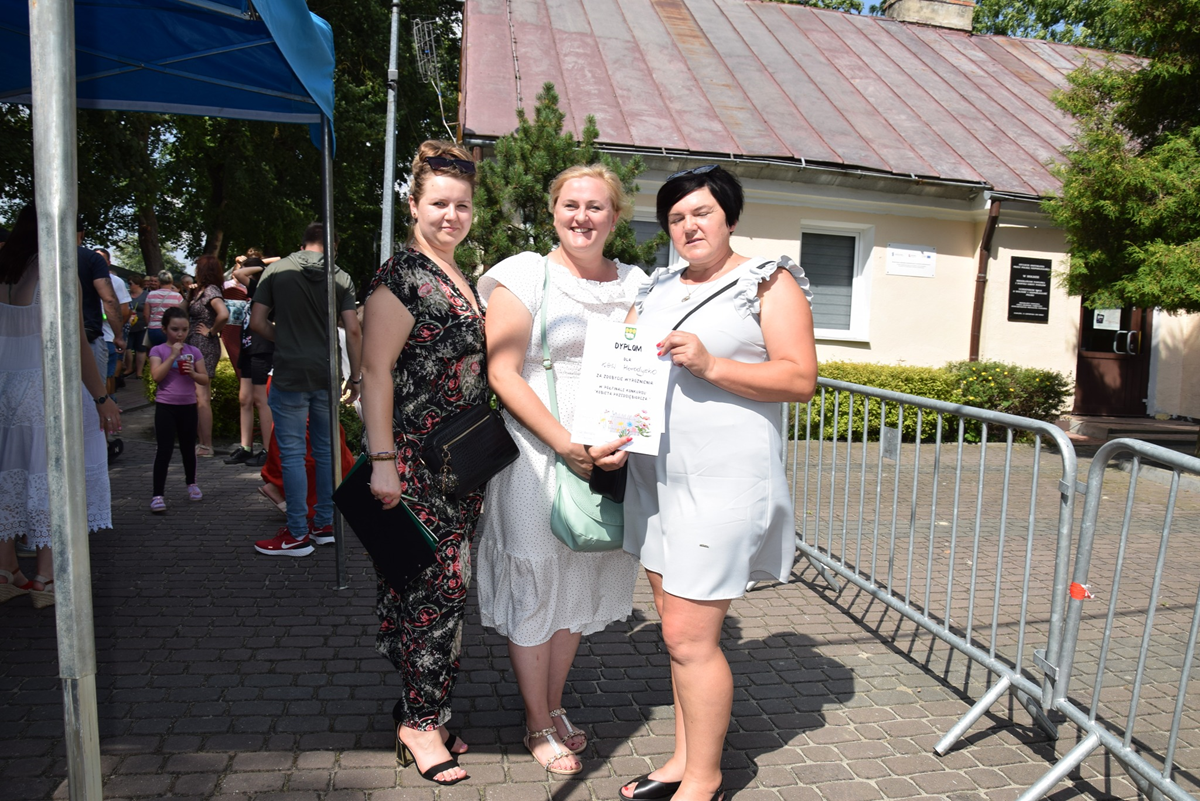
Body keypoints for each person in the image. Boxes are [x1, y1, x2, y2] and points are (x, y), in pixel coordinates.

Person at [616, 166, 817, 801]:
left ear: (729, 216)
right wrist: (608, 431)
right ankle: (682, 761)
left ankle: (704, 780)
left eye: (701, 213)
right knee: (676, 631)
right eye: (676, 218)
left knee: (687, 636)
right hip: (655, 478)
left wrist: (711, 364)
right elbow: (625, 366)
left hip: (725, 480)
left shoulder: (769, 280)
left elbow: (799, 379)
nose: (689, 226)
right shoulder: (658, 286)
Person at [476, 164, 644, 775]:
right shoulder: (525, 274)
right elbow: (502, 372)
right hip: (534, 452)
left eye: (596, 206)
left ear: (615, 217)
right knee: (534, 577)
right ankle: (536, 722)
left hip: (605, 454)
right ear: (553, 211)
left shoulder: (636, 283)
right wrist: (566, 443)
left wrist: (621, 443)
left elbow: (639, 375)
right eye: (571, 204)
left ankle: (553, 703)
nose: (582, 216)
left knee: (575, 577)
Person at [359, 140, 485, 786]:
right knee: (434, 590)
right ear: (413, 205)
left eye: (461, 204)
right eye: (438, 203)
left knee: (443, 591)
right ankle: (420, 722)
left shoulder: (458, 273)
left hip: (457, 465)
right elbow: (375, 371)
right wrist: (383, 460)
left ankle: (425, 708)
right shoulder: (402, 275)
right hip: (412, 462)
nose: (450, 215)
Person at [0, 203, 120, 608]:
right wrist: (102, 396)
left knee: (10, 478)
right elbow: (75, 342)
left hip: (5, 386)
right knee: (56, 479)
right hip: (47, 387)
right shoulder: (56, 271)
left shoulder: (5, 269)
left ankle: (6, 570)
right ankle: (47, 578)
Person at [249, 222, 361, 556]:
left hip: (289, 374)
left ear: (303, 244)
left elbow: (256, 322)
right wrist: (356, 378)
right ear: (333, 246)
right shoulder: (340, 277)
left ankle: (297, 532)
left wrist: (284, 338)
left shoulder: (277, 271)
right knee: (327, 453)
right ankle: (324, 525)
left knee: (293, 455)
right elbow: (353, 331)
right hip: (326, 374)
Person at [147, 307, 209, 513]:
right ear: (165, 329)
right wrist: (173, 354)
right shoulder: (158, 350)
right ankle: (157, 495)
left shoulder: (194, 351)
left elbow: (204, 378)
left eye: (184, 329)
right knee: (164, 450)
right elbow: (156, 376)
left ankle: (192, 483)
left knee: (188, 448)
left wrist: (192, 373)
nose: (180, 334)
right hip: (166, 406)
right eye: (175, 329)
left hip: (188, 406)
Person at [226, 256, 271, 465]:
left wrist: (260, 266)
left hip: (261, 350)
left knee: (261, 400)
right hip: (247, 349)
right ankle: (245, 447)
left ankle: (268, 449)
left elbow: (238, 273)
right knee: (244, 399)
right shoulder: (252, 293)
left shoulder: (262, 290)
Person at [185, 255, 229, 457]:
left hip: (204, 345)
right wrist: (189, 295)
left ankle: (206, 444)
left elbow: (224, 314)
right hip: (195, 344)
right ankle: (201, 442)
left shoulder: (211, 290)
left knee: (202, 397)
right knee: (198, 396)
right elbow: (180, 311)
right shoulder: (200, 292)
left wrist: (211, 332)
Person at [77, 223, 123, 381]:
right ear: (82, 233)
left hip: (44, 336)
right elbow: (109, 299)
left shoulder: (38, 256)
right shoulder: (92, 259)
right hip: (86, 335)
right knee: (93, 389)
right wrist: (118, 335)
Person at [95, 248, 131, 396]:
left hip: (108, 336)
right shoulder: (82, 277)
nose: (97, 262)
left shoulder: (116, 282)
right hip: (87, 335)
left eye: (101, 260)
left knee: (108, 375)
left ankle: (108, 402)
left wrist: (117, 331)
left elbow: (125, 310)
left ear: (109, 263)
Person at [145, 270, 185, 348]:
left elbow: (146, 314)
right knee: (171, 352)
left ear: (159, 281)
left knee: (156, 352)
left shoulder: (151, 294)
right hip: (171, 328)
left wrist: (150, 324)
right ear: (171, 281)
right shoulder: (177, 296)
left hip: (154, 329)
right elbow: (182, 313)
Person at [125, 273, 150, 378]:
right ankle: (129, 368)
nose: (129, 285)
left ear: (137, 284)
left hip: (141, 326)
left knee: (141, 349)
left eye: (130, 283)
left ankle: (139, 372)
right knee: (127, 348)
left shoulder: (146, 295)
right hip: (128, 326)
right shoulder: (126, 295)